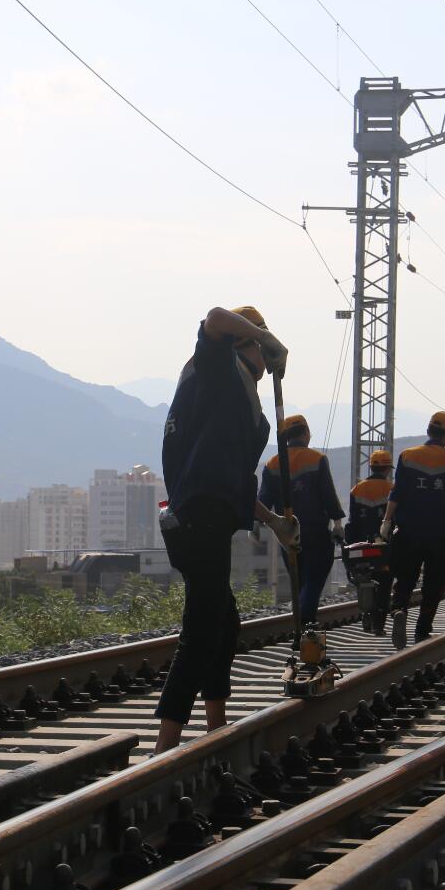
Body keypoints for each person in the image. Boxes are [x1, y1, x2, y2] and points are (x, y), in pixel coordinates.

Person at [155, 306, 298, 754]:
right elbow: (215, 317)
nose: (266, 353)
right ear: (247, 344)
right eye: (261, 344)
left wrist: (274, 522)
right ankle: (165, 747)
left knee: (224, 620)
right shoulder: (218, 369)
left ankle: (215, 724)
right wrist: (263, 335)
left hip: (207, 514)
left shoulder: (240, 402)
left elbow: (234, 482)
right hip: (200, 516)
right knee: (202, 629)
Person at [379, 412, 445, 649]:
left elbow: (397, 492)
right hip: (440, 535)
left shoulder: (408, 456)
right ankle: (422, 629)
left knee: (405, 578)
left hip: (408, 531)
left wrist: (387, 521)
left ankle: (399, 609)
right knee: (434, 583)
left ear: (428, 429)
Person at [258, 415, 344, 626]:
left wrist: (255, 527)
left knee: (299, 579)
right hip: (316, 531)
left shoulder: (272, 464)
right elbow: (328, 495)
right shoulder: (317, 459)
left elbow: (263, 501)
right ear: (306, 433)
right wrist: (338, 524)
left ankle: (302, 622)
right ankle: (305, 620)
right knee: (315, 576)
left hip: (287, 534)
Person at [346, 449, 394, 634]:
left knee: (364, 579)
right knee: (384, 582)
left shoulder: (357, 490)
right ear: (387, 469)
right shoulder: (392, 490)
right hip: (385, 545)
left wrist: (349, 545)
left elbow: (353, 521)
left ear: (371, 467)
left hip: (361, 545)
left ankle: (366, 614)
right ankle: (378, 624)